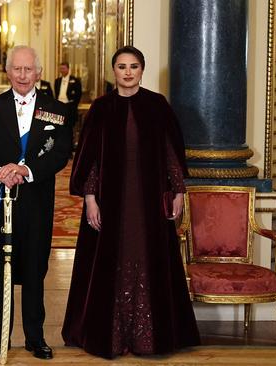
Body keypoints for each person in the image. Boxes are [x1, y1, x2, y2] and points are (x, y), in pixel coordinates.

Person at [62, 46, 200, 358]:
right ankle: (110, 337)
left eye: (133, 66)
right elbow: (90, 162)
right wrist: (90, 200)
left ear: (142, 69)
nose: (127, 72)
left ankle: (149, 340)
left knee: (149, 259)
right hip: (110, 204)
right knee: (111, 261)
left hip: (149, 204)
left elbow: (171, 153)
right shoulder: (100, 108)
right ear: (114, 71)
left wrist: (178, 192)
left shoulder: (157, 106)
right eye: (122, 66)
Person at [0, 45, 72, 360]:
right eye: (17, 69)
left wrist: (27, 171)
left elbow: (60, 152)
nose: (23, 75)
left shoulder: (54, 109)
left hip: (37, 202)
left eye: (29, 69)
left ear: (38, 73)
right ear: (8, 71)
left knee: (34, 270)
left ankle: (35, 337)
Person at [54, 61, 82, 127]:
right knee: (60, 125)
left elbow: (78, 94)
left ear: (68, 69)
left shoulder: (75, 80)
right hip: (59, 106)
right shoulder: (57, 81)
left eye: (64, 68)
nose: (62, 70)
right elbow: (56, 93)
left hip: (70, 106)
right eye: (61, 69)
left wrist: (74, 105)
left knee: (69, 125)